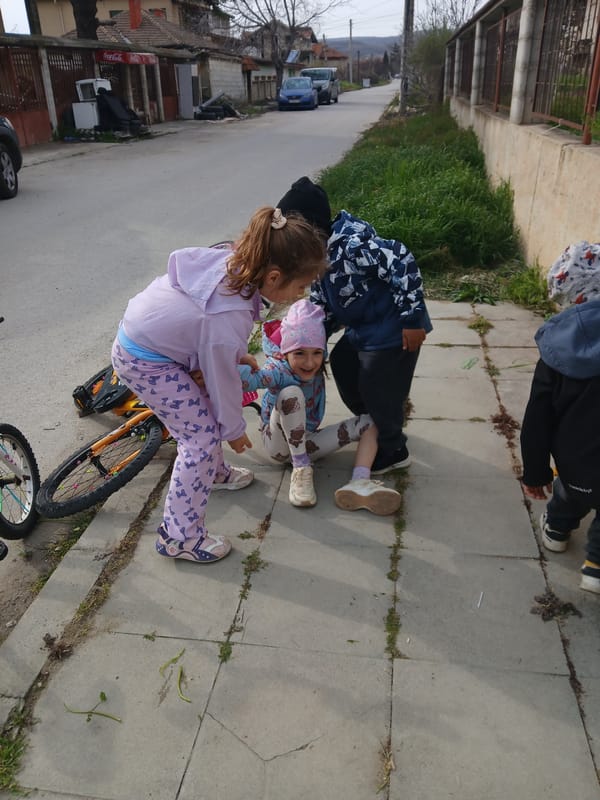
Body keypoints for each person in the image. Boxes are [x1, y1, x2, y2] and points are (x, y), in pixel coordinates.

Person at [111, 206, 327, 563]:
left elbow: (213, 339)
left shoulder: (239, 262)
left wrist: (227, 356)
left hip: (153, 342)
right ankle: (179, 537)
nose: (302, 294)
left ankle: (212, 473)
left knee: (204, 414)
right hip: (146, 360)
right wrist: (233, 428)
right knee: (199, 438)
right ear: (273, 277)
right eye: (301, 286)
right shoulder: (228, 312)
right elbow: (222, 372)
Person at [277, 176, 433, 473]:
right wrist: (307, 338)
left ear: (312, 233)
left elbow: (401, 259)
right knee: (342, 362)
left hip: (394, 329)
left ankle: (393, 448)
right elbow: (323, 305)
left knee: (377, 384)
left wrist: (412, 318)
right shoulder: (318, 258)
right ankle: (373, 420)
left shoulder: (352, 246)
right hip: (364, 329)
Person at [239, 297, 402, 515]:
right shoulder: (278, 370)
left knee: (371, 421)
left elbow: (337, 318)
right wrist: (220, 363)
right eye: (299, 353)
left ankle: (360, 482)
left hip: (307, 441)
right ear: (285, 352)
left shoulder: (313, 365)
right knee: (291, 393)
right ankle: (301, 469)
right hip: (278, 446)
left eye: (316, 353)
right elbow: (251, 379)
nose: (309, 363)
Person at [520, 241, 600, 594]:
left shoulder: (557, 352)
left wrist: (536, 472)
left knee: (572, 490)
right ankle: (595, 568)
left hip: (573, 461)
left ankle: (556, 531)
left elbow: (538, 417)